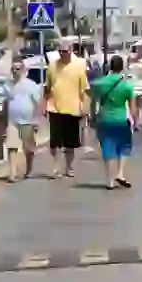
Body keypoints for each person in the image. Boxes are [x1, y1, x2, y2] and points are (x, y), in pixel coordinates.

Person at [90, 55, 138, 189]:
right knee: (125, 147)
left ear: (110, 67)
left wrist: (93, 116)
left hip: (104, 119)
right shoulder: (127, 86)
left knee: (107, 148)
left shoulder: (100, 83)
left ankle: (109, 180)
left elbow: (93, 101)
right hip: (122, 120)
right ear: (122, 67)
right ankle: (120, 173)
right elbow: (133, 108)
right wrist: (135, 122)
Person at [45, 37, 89, 178]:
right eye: (61, 51)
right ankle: (56, 167)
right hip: (54, 108)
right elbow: (47, 87)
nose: (63, 54)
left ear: (71, 51)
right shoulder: (52, 66)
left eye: (65, 51)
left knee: (70, 143)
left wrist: (85, 108)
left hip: (73, 109)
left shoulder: (79, 66)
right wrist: (44, 105)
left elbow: (84, 90)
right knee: (55, 143)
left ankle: (69, 167)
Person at [4, 59, 43, 182]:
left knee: (29, 149)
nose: (15, 71)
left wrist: (37, 120)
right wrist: (3, 121)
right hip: (12, 122)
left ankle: (29, 168)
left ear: (23, 70)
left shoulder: (31, 85)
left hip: (28, 121)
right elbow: (6, 103)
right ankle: (12, 174)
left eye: (18, 68)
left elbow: (38, 103)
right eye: (13, 69)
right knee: (12, 147)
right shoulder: (8, 85)